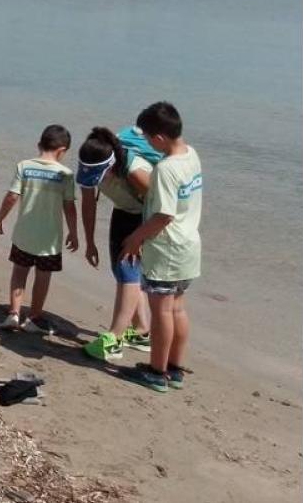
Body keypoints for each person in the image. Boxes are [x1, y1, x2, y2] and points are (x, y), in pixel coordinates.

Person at [118, 102, 203, 393]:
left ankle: (156, 371)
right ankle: (175, 368)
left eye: (147, 138)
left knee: (162, 311)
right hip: (188, 245)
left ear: (159, 138)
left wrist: (135, 238)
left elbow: (163, 215)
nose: (146, 143)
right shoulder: (191, 154)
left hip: (167, 248)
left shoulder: (166, 169)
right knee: (177, 308)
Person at [0, 125, 78, 334]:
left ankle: (14, 313)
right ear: (62, 150)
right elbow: (69, 207)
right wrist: (74, 233)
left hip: (24, 234)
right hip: (50, 239)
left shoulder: (24, 166)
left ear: (39, 145)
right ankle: (35, 317)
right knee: (43, 276)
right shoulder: (65, 174)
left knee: (19, 272)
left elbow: (12, 197)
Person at [77, 127, 154, 362]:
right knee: (122, 271)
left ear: (111, 166)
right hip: (123, 211)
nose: (96, 181)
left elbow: (161, 207)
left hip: (146, 216)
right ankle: (141, 332)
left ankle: (114, 339)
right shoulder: (88, 164)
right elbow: (88, 204)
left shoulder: (135, 172)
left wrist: (140, 237)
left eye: (100, 176)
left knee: (126, 271)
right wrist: (90, 242)